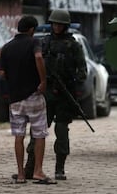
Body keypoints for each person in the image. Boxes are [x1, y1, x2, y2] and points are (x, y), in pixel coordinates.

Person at [22, 9, 87, 181]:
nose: (57, 27)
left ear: (66, 26)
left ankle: (60, 168)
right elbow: (34, 65)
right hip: (47, 93)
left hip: (65, 95)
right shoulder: (44, 43)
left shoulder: (74, 46)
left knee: (61, 130)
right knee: (38, 131)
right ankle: (30, 168)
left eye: (60, 24)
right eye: (55, 24)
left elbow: (83, 72)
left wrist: (71, 81)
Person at [0, 16, 56, 184]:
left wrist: (12, 85)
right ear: (31, 29)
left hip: (15, 99)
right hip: (34, 96)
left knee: (18, 135)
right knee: (39, 134)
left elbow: (1, 73)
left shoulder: (7, 47)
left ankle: (21, 174)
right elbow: (38, 58)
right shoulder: (33, 43)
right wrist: (43, 81)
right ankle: (38, 171)